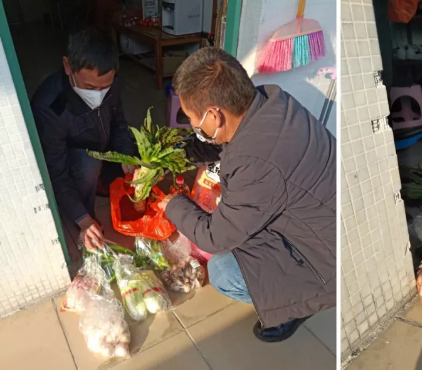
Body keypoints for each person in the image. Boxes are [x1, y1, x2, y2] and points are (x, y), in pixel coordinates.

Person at [159, 47, 336, 342]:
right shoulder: (269, 101)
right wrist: (169, 159)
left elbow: (215, 237)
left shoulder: (257, 163)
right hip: (314, 221)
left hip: (322, 259)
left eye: (192, 118)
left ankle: (293, 306)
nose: (192, 125)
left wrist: (173, 204)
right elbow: (218, 142)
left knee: (223, 271)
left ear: (214, 115)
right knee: (236, 223)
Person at [31, 28, 137, 261]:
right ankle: (85, 218)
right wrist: (83, 218)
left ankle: (100, 181)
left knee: (141, 158)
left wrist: (127, 158)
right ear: (68, 66)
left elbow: (119, 124)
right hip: (75, 161)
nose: (99, 94)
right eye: (90, 88)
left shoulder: (111, 83)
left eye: (105, 87)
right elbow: (56, 172)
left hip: (102, 146)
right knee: (88, 164)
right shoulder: (49, 108)